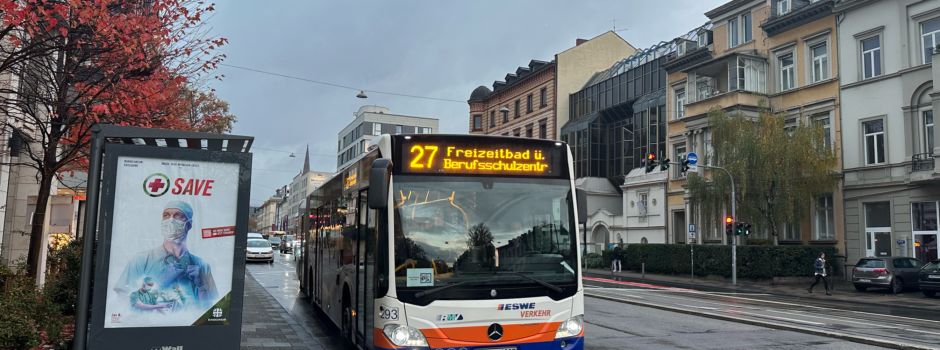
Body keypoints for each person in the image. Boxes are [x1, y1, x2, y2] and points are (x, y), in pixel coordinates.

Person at [114, 201, 218, 309]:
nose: (171, 220)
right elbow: (123, 300)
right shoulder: (141, 260)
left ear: (189, 224)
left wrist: (201, 286)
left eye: (178, 216)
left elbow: (209, 310)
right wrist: (160, 281)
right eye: (166, 215)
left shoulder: (202, 266)